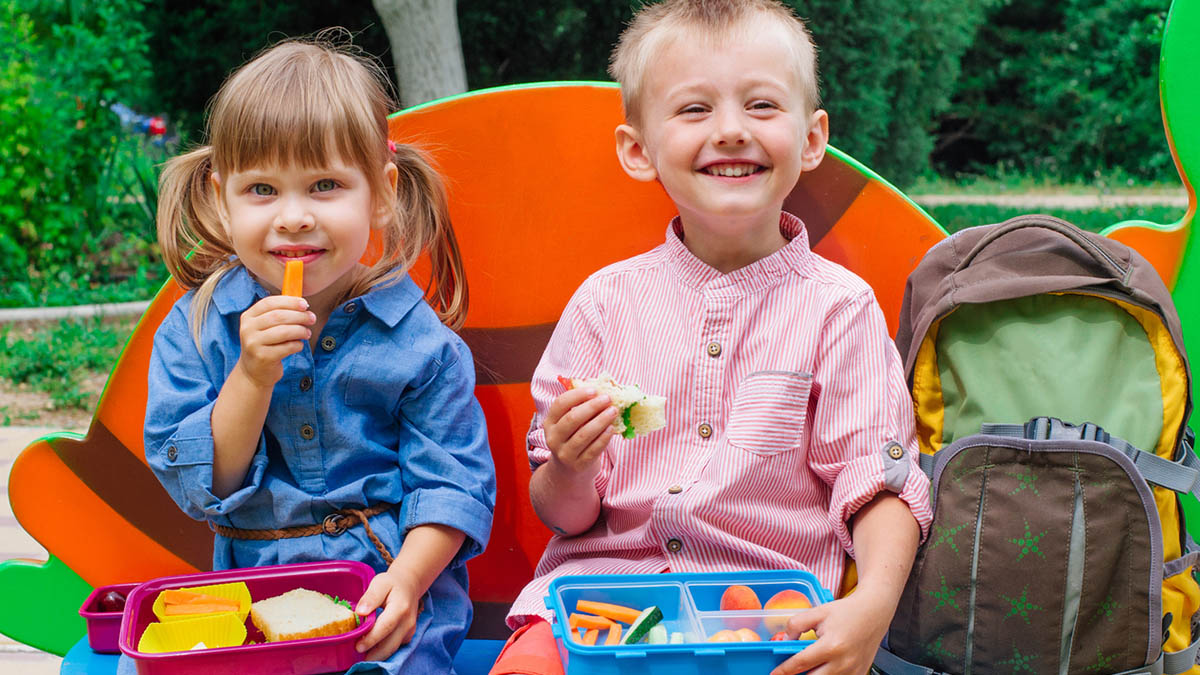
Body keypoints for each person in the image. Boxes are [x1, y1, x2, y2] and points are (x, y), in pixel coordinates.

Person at [489, 2, 932, 674]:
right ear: (639, 150)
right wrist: (572, 465)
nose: (730, 131)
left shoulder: (840, 308)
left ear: (811, 139)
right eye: (695, 110)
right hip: (591, 610)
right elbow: (565, 513)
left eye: (760, 106)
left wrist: (871, 604)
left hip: (768, 619)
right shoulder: (605, 304)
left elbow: (878, 483)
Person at [142, 32, 496, 674]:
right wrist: (251, 375)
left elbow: (451, 487)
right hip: (248, 597)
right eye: (261, 191)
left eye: (325, 184)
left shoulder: (423, 346)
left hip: (388, 589)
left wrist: (410, 583)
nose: (294, 216)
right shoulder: (196, 329)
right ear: (222, 199)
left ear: (381, 192)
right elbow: (202, 487)